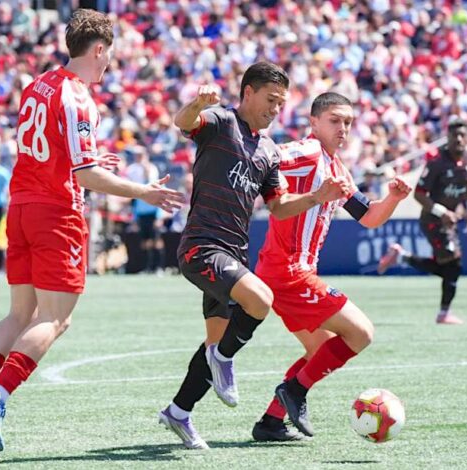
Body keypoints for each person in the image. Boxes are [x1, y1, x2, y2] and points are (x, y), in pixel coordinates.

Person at [0, 9, 185, 452]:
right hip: (55, 213)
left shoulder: (38, 84)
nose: (109, 64)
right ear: (99, 49)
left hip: (21, 207)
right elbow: (84, 176)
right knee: (54, 319)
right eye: (109, 54)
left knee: (19, 315)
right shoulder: (78, 97)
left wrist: (92, 162)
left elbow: (50, 151)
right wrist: (143, 191)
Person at [157, 62, 351, 449]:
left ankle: (179, 411)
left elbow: (278, 206)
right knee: (261, 299)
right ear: (248, 93)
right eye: (270, 99)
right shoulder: (220, 121)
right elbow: (183, 122)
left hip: (234, 254)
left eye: (281, 103)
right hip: (201, 246)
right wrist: (197, 104)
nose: (275, 109)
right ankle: (224, 359)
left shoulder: (268, 150)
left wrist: (316, 197)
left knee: (215, 340)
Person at [249, 92, 411, 441]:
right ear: (314, 122)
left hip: (287, 272)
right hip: (289, 271)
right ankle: (294, 392)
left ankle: (271, 422)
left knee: (318, 351)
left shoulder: (336, 168)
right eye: (334, 120)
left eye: (348, 122)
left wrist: (393, 198)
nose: (343, 128)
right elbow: (267, 154)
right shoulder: (308, 151)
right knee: (361, 333)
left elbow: (369, 217)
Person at [377, 117, 467, 325]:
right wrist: (442, 212)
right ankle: (443, 314)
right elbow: (419, 194)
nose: (459, 139)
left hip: (450, 222)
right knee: (454, 265)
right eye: (454, 135)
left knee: (449, 267)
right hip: (433, 221)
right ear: (447, 137)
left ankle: (401, 256)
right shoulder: (437, 164)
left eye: (462, 135)